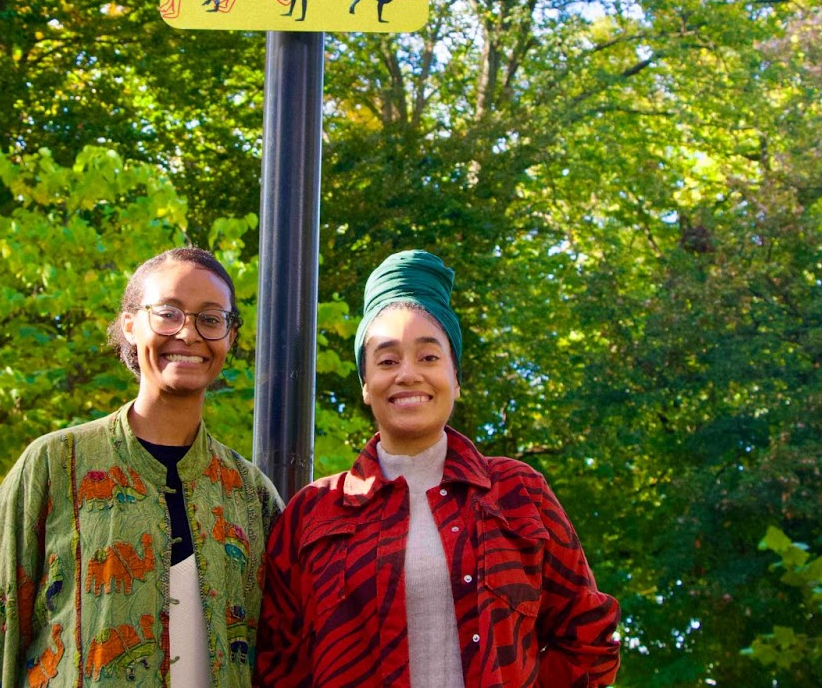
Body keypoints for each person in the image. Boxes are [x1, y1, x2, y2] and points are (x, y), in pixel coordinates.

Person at [256, 250, 621, 687]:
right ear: (366, 385)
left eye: (428, 357)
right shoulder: (311, 514)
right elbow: (276, 668)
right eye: (387, 361)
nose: (408, 374)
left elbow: (589, 639)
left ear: (456, 378)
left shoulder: (519, 493)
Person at [0, 247, 282, 688]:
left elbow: (283, 652)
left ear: (230, 336)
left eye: (211, 319)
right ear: (130, 324)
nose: (188, 333)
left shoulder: (251, 494)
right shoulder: (54, 465)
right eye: (168, 314)